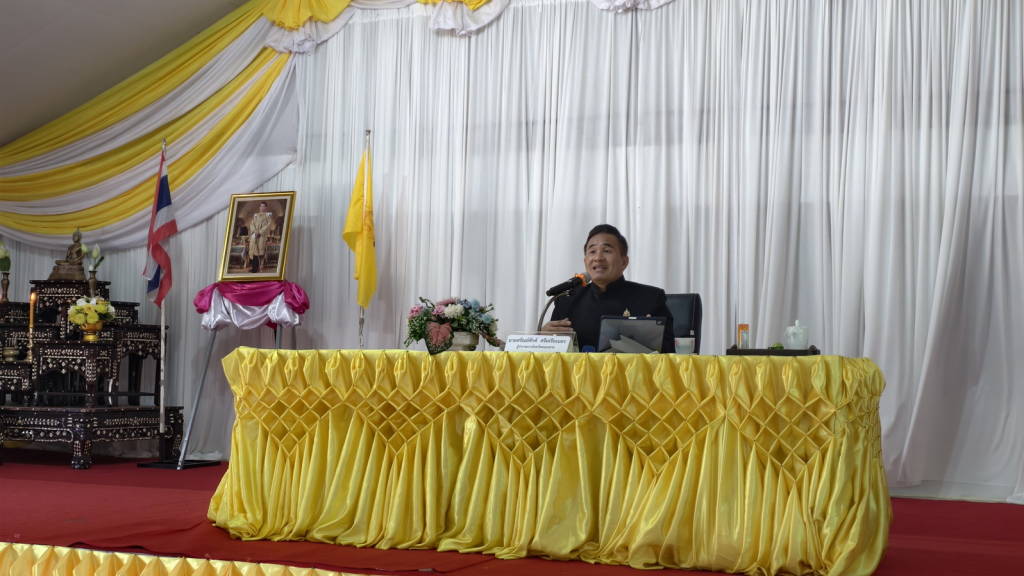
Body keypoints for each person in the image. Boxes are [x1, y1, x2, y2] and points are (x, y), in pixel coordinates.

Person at [542, 224, 674, 352]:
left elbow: (670, 355)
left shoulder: (650, 299)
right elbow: (552, 358)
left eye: (606, 251)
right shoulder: (566, 300)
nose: (598, 258)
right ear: (585, 261)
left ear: (624, 262)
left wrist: (651, 339)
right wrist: (545, 340)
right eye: (592, 251)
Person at [247, 201, 274, 273]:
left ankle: (256, 268)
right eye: (261, 206)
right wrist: (254, 231)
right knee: (253, 251)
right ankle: (254, 268)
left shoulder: (268, 216)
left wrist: (260, 232)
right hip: (254, 235)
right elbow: (252, 224)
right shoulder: (255, 215)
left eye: (263, 206)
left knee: (259, 251)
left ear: (266, 207)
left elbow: (268, 225)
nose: (262, 208)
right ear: (259, 207)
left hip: (261, 236)